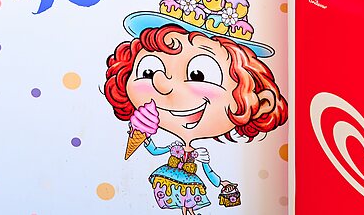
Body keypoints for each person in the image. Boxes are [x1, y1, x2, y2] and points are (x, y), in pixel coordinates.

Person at [103, 23, 287, 213]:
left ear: (259, 102)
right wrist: (143, 137)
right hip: (169, 178)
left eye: (198, 75)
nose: (162, 85)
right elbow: (157, 151)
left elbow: (208, 172)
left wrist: (221, 182)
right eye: (148, 72)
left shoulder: (201, 154)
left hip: (189, 181)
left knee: (188, 205)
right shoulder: (173, 146)